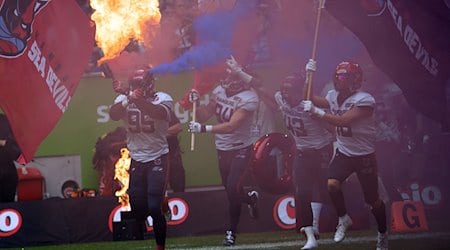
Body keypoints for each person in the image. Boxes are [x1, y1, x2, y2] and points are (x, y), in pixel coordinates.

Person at [303, 60, 388, 250]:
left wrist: (317, 112)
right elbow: (309, 98)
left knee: (373, 200)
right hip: (344, 151)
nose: (340, 80)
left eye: (344, 76)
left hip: (364, 155)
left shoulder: (365, 100)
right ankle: (343, 219)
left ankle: (383, 232)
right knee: (332, 184)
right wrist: (309, 76)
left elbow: (342, 121)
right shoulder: (333, 95)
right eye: (339, 76)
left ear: (355, 79)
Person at [253, 72, 334, 249]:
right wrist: (239, 72)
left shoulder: (310, 107)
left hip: (321, 150)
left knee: (325, 191)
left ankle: (325, 222)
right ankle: (310, 234)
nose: (286, 95)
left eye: (290, 92)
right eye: (284, 92)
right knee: (301, 192)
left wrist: (341, 146)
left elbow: (333, 126)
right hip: (302, 152)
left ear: (300, 92)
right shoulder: (281, 99)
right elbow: (260, 87)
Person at [188, 56, 260, 247]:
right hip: (223, 147)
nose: (226, 81)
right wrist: (194, 103)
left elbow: (231, 126)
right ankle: (250, 199)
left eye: (230, 78)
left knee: (234, 187)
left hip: (241, 147)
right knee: (230, 190)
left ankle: (231, 232)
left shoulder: (250, 98)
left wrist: (204, 130)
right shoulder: (220, 91)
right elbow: (204, 115)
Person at [109, 68, 173, 250]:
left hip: (158, 156)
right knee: (137, 207)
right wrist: (128, 97)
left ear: (149, 85)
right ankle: (163, 200)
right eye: (134, 85)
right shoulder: (125, 98)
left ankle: (160, 246)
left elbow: (156, 112)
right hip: (136, 157)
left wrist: (131, 96)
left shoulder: (163, 98)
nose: (137, 88)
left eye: (140, 85)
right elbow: (113, 114)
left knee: (154, 207)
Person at [0, 113, 21, 203]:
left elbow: (17, 152)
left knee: (6, 209)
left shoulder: (5, 121)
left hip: (6, 178)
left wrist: (2, 142)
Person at [166, 110, 186, 193]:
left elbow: (178, 127)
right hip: (150, 158)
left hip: (172, 154)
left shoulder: (163, 107)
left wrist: (157, 136)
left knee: (178, 187)